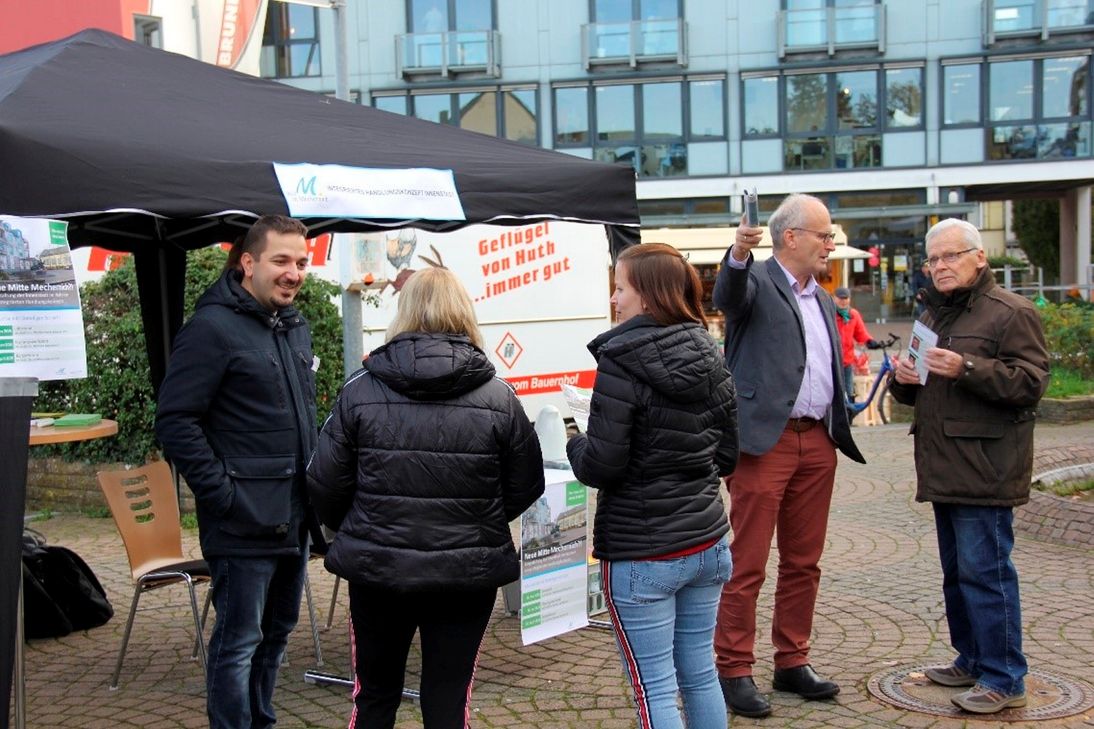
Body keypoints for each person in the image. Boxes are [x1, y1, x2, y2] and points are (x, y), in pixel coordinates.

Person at [306, 266, 545, 729]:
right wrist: (477, 519)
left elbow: (325, 482)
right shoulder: (499, 397)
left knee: (374, 697)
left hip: (377, 568)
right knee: (448, 699)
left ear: (405, 312)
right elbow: (525, 484)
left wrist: (358, 525)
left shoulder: (361, 389)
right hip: (465, 572)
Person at [155, 214, 321, 729]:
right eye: (281, 261)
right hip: (242, 521)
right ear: (248, 263)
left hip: (293, 519)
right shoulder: (210, 329)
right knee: (238, 642)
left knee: (275, 637)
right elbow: (176, 422)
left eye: (301, 262)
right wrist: (224, 495)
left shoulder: (293, 327)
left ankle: (261, 721)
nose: (293, 272)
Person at [566, 243, 738, 729]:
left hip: (645, 552)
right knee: (701, 674)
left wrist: (575, 442)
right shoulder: (710, 352)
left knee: (655, 688)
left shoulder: (620, 360)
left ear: (645, 295)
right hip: (707, 544)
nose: (615, 299)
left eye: (620, 288)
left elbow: (601, 464)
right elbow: (728, 455)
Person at [712, 194, 865, 718]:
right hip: (764, 442)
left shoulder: (821, 297)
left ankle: (792, 660)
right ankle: (732, 668)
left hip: (817, 441)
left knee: (804, 562)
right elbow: (727, 296)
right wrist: (737, 251)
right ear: (792, 237)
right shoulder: (755, 279)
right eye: (824, 234)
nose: (831, 242)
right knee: (747, 562)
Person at [888, 218, 1049, 715]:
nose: (940, 266)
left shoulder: (1011, 312)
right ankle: (972, 658)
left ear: (979, 257)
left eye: (951, 256)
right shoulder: (933, 316)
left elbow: (1031, 383)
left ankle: (1005, 678)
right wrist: (902, 379)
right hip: (944, 466)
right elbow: (911, 393)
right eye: (933, 259)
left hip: (986, 467)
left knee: (987, 574)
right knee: (957, 575)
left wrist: (969, 367)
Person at [832, 286, 882, 403]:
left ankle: (848, 418)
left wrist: (869, 341)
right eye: (840, 298)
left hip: (846, 362)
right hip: (831, 362)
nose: (843, 301)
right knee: (832, 393)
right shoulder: (829, 313)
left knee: (848, 393)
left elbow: (861, 333)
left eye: (846, 298)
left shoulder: (853, 315)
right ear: (834, 298)